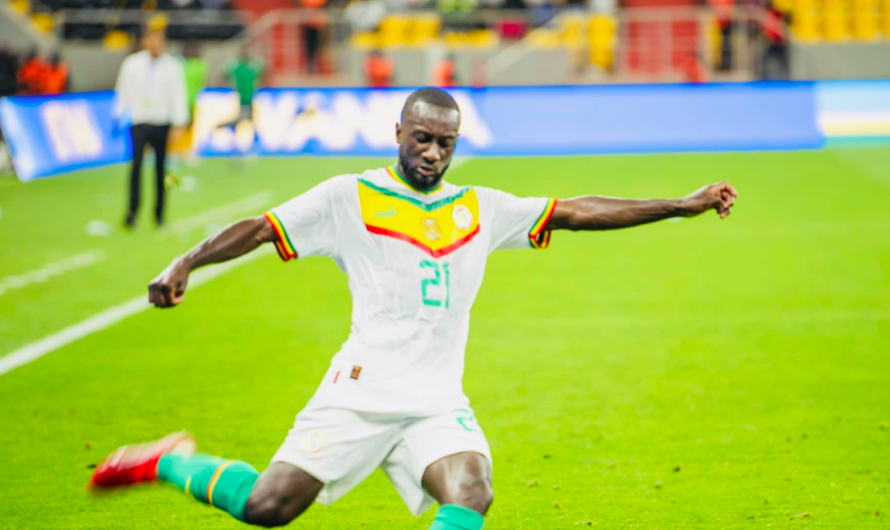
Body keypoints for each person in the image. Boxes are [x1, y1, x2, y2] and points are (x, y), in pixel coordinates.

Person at [87, 88, 738, 529]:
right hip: (360, 394)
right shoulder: (350, 198)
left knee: (471, 491)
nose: (431, 153)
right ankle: (169, 458)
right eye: (421, 138)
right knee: (269, 507)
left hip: (435, 400)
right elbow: (260, 227)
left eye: (444, 144)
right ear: (398, 132)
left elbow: (573, 212)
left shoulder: (478, 209)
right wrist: (185, 262)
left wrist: (680, 205)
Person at [114, 29, 188, 229]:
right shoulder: (132, 64)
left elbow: (178, 94)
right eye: (151, 40)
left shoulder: (173, 66)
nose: (155, 44)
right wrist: (119, 115)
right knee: (136, 167)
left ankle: (159, 215)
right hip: (139, 121)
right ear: (145, 41)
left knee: (161, 170)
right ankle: (132, 213)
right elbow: (122, 90)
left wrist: (179, 122)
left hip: (161, 122)